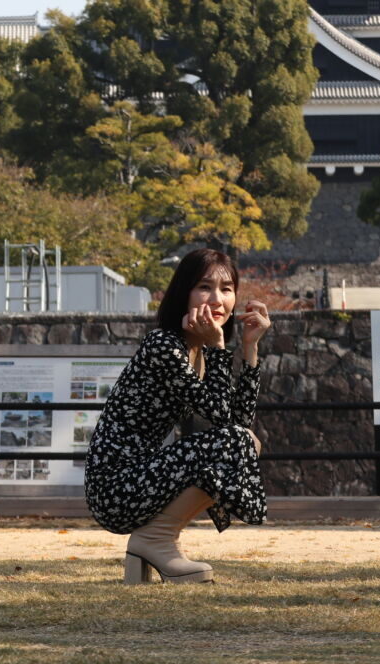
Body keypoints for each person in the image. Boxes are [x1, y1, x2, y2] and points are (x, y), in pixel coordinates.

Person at [85, 248, 271, 583]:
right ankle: (156, 540)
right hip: (116, 487)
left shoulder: (197, 350)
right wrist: (216, 347)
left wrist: (250, 348)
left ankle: (155, 540)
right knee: (239, 442)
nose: (217, 298)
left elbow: (237, 424)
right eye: (204, 287)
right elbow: (223, 420)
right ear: (183, 293)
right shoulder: (164, 345)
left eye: (226, 289)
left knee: (246, 441)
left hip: (144, 477)